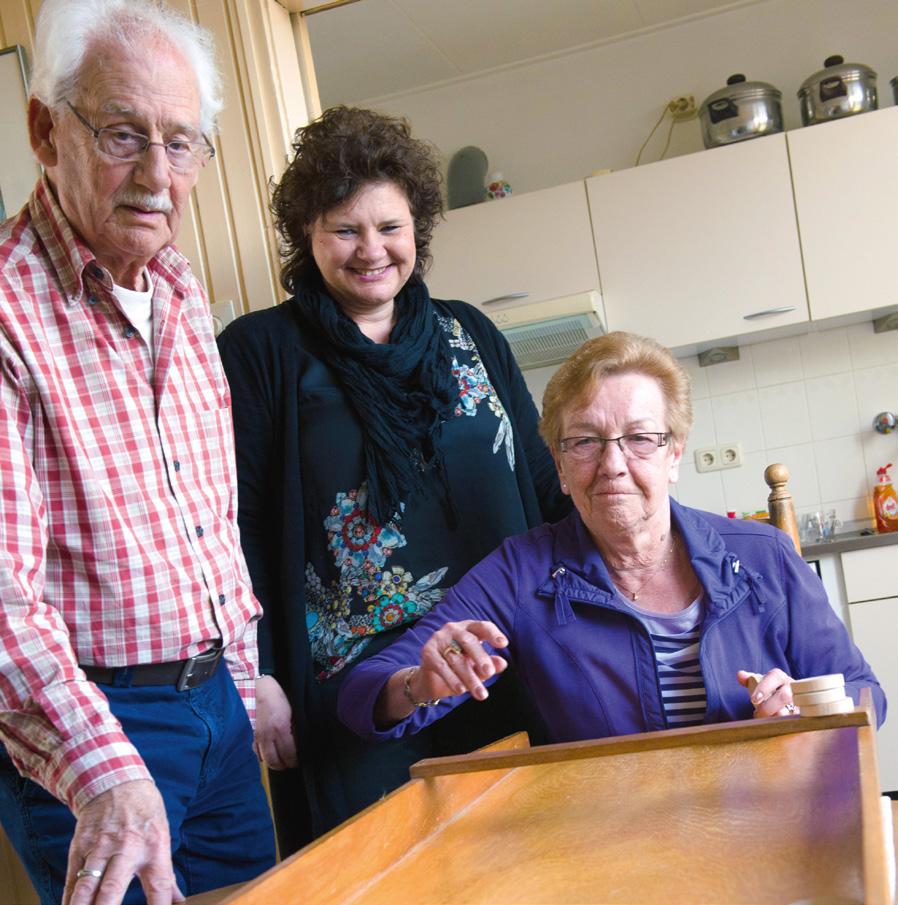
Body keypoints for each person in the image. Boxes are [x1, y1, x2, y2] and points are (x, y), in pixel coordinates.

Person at [217, 105, 570, 852]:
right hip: (356, 700)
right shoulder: (261, 351)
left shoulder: (469, 331)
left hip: (505, 665)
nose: (371, 249)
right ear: (306, 234)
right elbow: (235, 526)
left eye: (390, 227)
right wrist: (261, 674)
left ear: (419, 230)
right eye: (345, 229)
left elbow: (544, 484)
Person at [0, 2, 276, 903]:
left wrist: (242, 677)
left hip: (217, 709)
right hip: (94, 725)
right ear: (47, 131)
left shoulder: (182, 290)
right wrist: (105, 773)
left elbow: (207, 517)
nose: (159, 175)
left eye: (184, 142)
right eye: (124, 134)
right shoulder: (6, 313)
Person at [336, 331, 886, 746]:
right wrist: (419, 684)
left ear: (674, 453)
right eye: (584, 441)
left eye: (640, 439)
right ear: (557, 463)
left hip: (767, 816)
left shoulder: (762, 554)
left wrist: (800, 715)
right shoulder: (521, 573)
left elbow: (865, 694)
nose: (612, 465)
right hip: (611, 839)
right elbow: (364, 695)